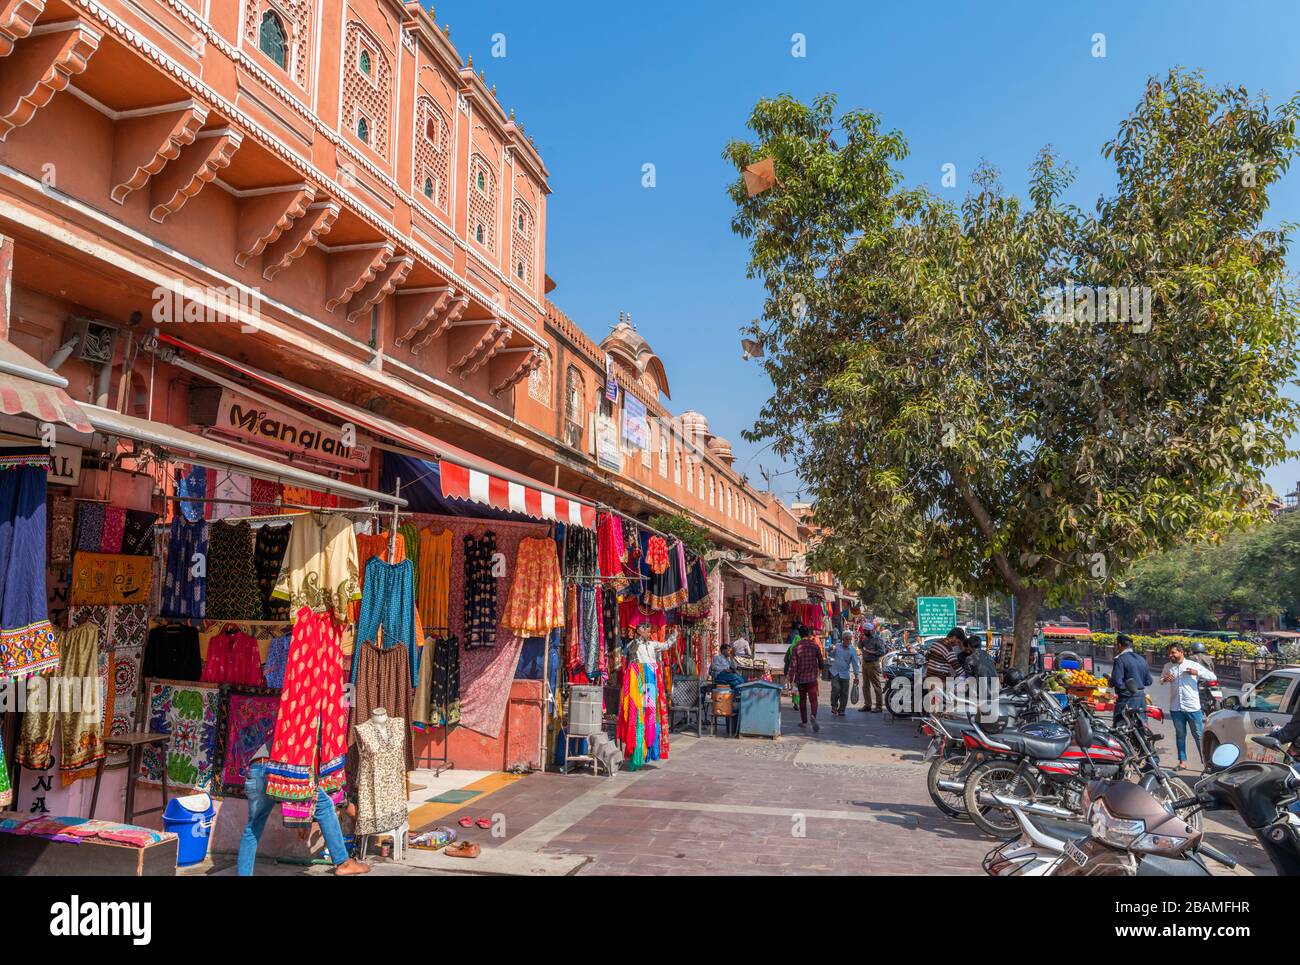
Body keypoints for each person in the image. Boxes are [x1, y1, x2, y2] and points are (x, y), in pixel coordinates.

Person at [238, 742, 370, 876]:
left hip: (257, 769)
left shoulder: (289, 729)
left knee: (253, 827)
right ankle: (343, 862)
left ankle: (243, 873)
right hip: (283, 767)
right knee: (324, 805)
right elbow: (304, 772)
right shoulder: (315, 734)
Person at [1159, 642, 1217, 770]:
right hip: (1175, 708)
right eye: (1169, 653)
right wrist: (1165, 680)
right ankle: (1182, 762)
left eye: (1173, 652)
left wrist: (1197, 672)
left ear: (1181, 652)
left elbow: (1212, 676)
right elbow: (1161, 680)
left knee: (1199, 735)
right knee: (1180, 735)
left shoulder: (1193, 665)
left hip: (1192, 707)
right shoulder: (1168, 666)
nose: (1170, 655)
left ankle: (1207, 763)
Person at [788, 628, 826, 732]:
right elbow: (821, 660)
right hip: (812, 678)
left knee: (803, 700)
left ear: (799, 635)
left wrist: (791, 678)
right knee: (813, 700)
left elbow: (793, 664)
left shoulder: (797, 646)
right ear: (809, 634)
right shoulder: (814, 645)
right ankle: (813, 715)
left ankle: (804, 721)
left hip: (801, 679)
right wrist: (821, 667)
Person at [1108, 633, 1151, 723]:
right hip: (1141, 698)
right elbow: (1149, 681)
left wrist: (1111, 682)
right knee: (1141, 725)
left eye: (1116, 645)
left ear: (1119, 645)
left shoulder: (1120, 659)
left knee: (1121, 726)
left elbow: (1117, 680)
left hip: (1126, 699)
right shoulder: (1142, 659)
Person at [828, 630, 860, 716]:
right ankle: (834, 706)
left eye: (850, 639)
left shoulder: (852, 650)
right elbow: (831, 655)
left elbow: (855, 663)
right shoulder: (837, 646)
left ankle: (842, 709)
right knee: (835, 689)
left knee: (844, 693)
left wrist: (856, 676)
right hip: (835, 672)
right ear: (843, 639)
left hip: (845, 674)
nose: (848, 641)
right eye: (846, 639)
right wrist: (830, 650)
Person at [857, 627, 884, 712]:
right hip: (865, 663)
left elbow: (882, 652)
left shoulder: (877, 639)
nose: (864, 632)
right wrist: (860, 640)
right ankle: (867, 705)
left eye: (866, 631)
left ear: (871, 630)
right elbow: (860, 646)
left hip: (873, 663)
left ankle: (879, 706)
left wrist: (871, 652)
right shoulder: (865, 639)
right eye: (864, 631)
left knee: (876, 685)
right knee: (865, 685)